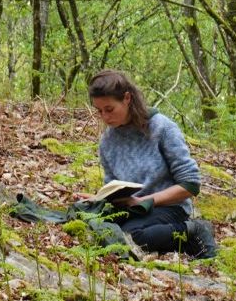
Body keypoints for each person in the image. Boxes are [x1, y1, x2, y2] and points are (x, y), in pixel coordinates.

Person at [85, 70, 217, 259]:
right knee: (96, 229)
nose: (105, 117)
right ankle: (165, 240)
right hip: (133, 210)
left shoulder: (162, 128)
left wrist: (146, 201)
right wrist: (97, 199)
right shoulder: (107, 142)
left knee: (129, 237)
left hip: (170, 207)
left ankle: (193, 230)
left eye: (109, 109)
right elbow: (114, 188)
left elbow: (190, 184)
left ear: (127, 98)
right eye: (99, 111)